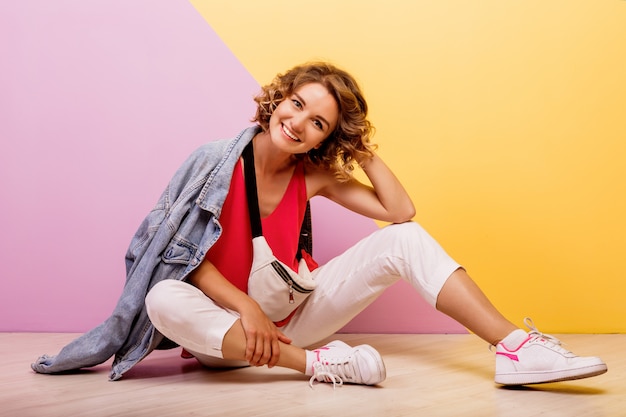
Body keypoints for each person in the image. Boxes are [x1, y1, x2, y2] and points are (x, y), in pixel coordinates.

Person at [32, 62, 607, 387]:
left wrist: (359, 146)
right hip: (226, 332)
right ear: (276, 98)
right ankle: (326, 366)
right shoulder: (215, 161)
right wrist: (248, 308)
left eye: (319, 123)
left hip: (290, 322)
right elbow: (184, 257)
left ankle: (513, 348)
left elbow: (400, 212)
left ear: (329, 137)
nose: (299, 123)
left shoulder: (316, 178)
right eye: (297, 105)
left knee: (403, 240)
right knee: (162, 295)